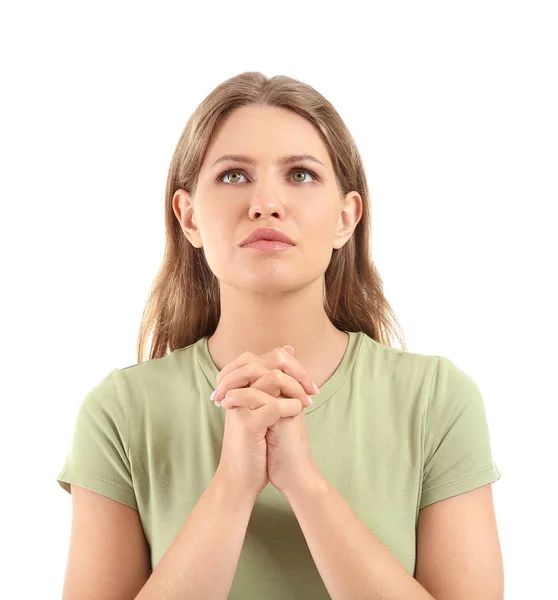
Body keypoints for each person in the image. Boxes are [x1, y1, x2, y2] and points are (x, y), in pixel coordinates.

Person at [57, 71, 503, 599]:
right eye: (233, 176)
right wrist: (232, 485)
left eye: (301, 175)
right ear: (188, 216)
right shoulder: (120, 412)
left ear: (346, 217)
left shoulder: (437, 400)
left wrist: (305, 484)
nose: (266, 203)